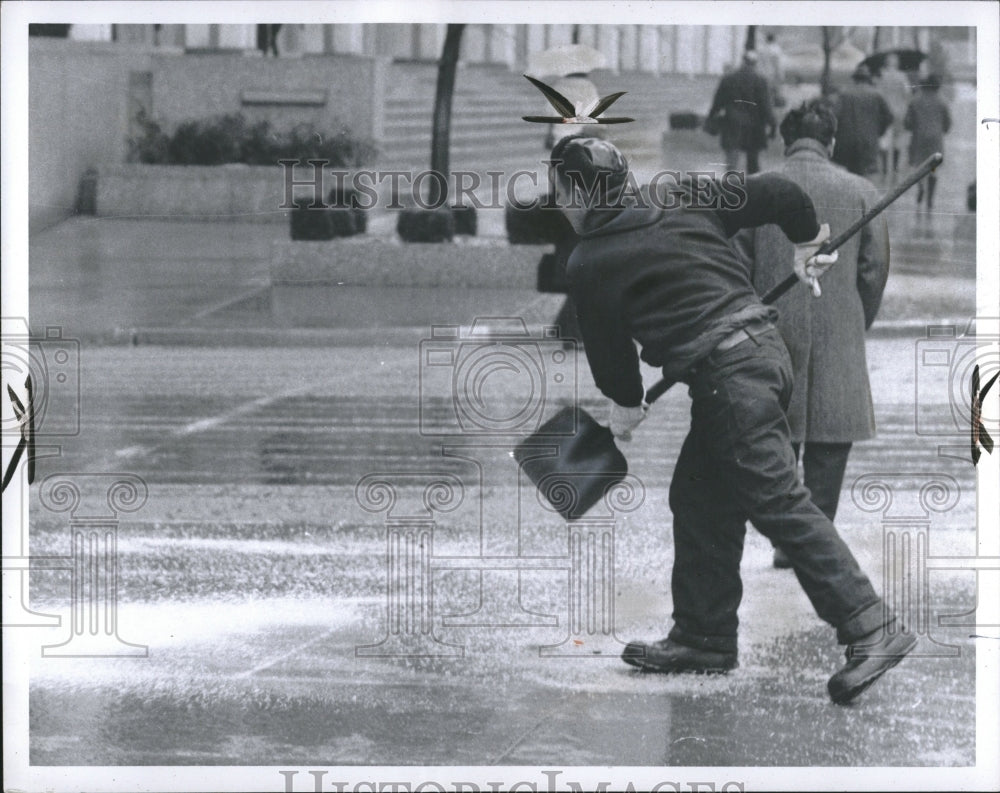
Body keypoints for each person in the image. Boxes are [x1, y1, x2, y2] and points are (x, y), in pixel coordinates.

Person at [546, 134, 915, 704]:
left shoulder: (591, 259)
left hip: (731, 379)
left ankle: (871, 625)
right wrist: (802, 242)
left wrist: (623, 410)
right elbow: (782, 195)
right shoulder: (682, 195)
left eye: (559, 191)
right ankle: (703, 635)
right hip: (759, 358)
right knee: (698, 496)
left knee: (778, 502)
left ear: (574, 192)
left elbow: (613, 365)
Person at [733, 99, 890, 569]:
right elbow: (874, 269)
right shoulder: (861, 190)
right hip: (838, 325)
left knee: (779, 440)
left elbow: (737, 265)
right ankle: (812, 539)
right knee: (828, 442)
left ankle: (785, 535)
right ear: (832, 142)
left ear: (784, 141)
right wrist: (856, 318)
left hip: (770, 329)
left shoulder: (756, 190)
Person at [705, 50, 775, 174]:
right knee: (753, 164)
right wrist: (773, 125)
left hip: (732, 124)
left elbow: (717, 103)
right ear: (755, 63)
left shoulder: (728, 79)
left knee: (731, 164)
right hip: (754, 126)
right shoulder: (760, 81)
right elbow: (766, 106)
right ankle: (753, 190)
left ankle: (730, 190)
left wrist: (710, 118)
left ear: (743, 61)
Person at [831, 64, 894, 177]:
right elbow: (889, 117)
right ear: (868, 79)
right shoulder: (876, 95)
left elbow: (834, 116)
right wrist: (879, 131)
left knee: (850, 175)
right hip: (869, 142)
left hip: (847, 142)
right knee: (864, 175)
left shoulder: (844, 94)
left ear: (854, 79)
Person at [904, 73, 951, 211]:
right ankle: (930, 198)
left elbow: (908, 122)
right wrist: (944, 129)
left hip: (918, 138)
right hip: (935, 139)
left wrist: (912, 127)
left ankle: (921, 188)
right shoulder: (942, 101)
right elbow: (947, 122)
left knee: (919, 166)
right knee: (933, 168)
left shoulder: (915, 100)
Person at [876, 54, 912, 182]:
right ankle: (895, 171)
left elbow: (878, 95)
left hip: (885, 114)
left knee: (884, 143)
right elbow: (907, 94)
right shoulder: (902, 77)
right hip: (899, 114)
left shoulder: (883, 76)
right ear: (897, 63)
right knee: (897, 143)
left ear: (886, 63)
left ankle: (885, 172)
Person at [759, 33, 786, 109]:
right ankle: (773, 107)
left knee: (766, 92)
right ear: (774, 39)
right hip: (773, 74)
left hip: (763, 74)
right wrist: (780, 75)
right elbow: (778, 64)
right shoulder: (776, 50)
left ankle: (765, 106)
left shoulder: (762, 49)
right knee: (775, 92)